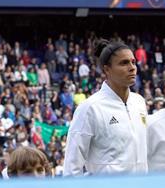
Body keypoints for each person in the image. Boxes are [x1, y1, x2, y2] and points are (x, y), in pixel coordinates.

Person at [62, 39, 148, 176]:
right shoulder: (90, 108)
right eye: (124, 63)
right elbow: (72, 167)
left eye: (133, 62)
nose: (132, 67)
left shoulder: (139, 102)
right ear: (107, 69)